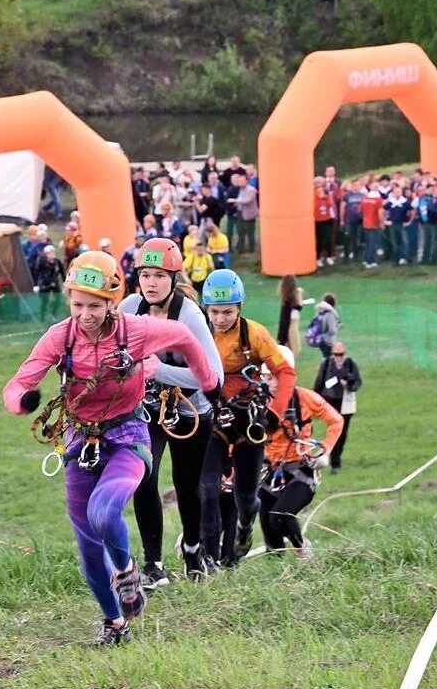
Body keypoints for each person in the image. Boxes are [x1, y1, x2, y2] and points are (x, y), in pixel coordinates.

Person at [4, 252, 219, 641]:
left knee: (105, 512)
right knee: (87, 544)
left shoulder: (134, 330)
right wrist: (22, 401)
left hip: (128, 439)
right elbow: (19, 383)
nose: (85, 314)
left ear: (112, 302)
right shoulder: (60, 336)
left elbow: (186, 339)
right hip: (80, 442)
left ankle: (127, 571)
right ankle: (114, 623)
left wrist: (207, 381)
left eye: (95, 306)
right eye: (78, 305)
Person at [121, 239, 224, 588]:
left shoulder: (190, 316)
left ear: (174, 278)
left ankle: (194, 549)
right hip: (147, 408)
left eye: (159, 276)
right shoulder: (130, 307)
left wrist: (157, 371)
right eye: (145, 275)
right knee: (143, 477)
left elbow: (213, 377)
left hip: (192, 408)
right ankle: (154, 565)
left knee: (186, 484)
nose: (151, 283)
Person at [198, 269, 297, 570]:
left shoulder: (254, 333)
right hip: (213, 415)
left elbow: (286, 373)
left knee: (245, 495)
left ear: (240, 307)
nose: (220, 318)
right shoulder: (198, 331)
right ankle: (208, 558)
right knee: (207, 490)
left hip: (250, 419)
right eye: (214, 311)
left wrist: (275, 413)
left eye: (227, 312)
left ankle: (244, 525)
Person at [258, 347, 342, 559]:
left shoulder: (304, 398)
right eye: (264, 377)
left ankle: (303, 551)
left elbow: (336, 420)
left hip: (301, 470)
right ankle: (277, 569)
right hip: (271, 472)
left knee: (280, 516)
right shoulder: (258, 402)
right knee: (270, 532)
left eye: (272, 376)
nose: (267, 382)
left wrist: (325, 451)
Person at [312, 341, 361, 474]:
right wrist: (312, 400)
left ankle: (335, 457)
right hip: (330, 402)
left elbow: (358, 382)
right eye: (336, 354)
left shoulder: (351, 364)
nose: (339, 357)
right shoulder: (327, 364)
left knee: (343, 433)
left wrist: (349, 386)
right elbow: (319, 382)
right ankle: (335, 463)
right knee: (333, 431)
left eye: (341, 354)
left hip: (345, 402)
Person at [276, 275, 303, 357]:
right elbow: (299, 307)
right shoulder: (290, 299)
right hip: (291, 324)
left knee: (289, 349)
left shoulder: (286, 298)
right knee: (295, 349)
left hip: (286, 325)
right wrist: (300, 294)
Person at [308, 293, 340, 360]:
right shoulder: (330, 314)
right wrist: (337, 327)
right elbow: (332, 330)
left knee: (325, 358)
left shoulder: (319, 312)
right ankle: (324, 370)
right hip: (328, 341)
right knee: (330, 360)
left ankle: (323, 369)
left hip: (321, 339)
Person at [360, 189, 385, 268]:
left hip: (365, 223)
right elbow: (380, 212)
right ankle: (371, 261)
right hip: (374, 224)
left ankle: (366, 259)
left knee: (368, 243)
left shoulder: (364, 199)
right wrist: (382, 223)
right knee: (372, 243)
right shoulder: (378, 200)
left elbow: (360, 210)